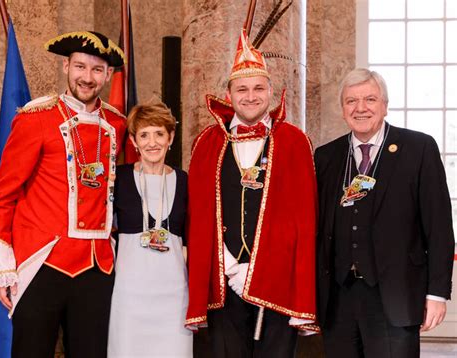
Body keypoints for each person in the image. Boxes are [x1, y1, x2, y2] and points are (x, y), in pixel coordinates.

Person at [0, 31, 127, 358]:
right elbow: (5, 194)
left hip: (97, 267)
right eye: (80, 67)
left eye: (96, 70)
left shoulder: (117, 125)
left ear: (107, 75)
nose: (87, 78)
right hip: (41, 262)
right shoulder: (37, 118)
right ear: (66, 67)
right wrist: (4, 266)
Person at [185, 29, 318, 357]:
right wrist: (231, 266)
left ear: (271, 91)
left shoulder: (294, 141)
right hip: (225, 280)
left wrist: (255, 269)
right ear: (229, 94)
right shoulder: (207, 142)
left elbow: (302, 219)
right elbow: (200, 216)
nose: (250, 96)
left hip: (276, 282)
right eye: (241, 89)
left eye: (259, 88)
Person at [314, 68, 455, 358]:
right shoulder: (327, 156)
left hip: (395, 296)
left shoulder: (418, 148)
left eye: (370, 99)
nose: (360, 108)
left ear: (384, 105)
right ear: (342, 109)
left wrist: (437, 293)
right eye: (351, 101)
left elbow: (439, 227)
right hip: (338, 300)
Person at [108, 101, 192, 357]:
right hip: (129, 297)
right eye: (143, 135)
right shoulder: (118, 178)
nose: (152, 142)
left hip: (174, 298)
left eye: (159, 134)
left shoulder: (185, 180)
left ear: (171, 137)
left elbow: (191, 238)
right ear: (133, 141)